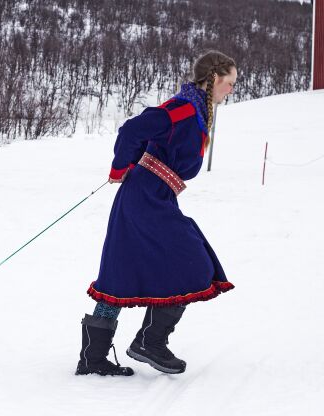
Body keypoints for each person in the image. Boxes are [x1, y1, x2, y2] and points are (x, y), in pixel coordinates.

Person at [76, 51, 237, 377]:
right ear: (214, 79)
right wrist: (120, 168)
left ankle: (93, 360)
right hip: (144, 198)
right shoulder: (182, 109)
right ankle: (149, 342)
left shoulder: (196, 112)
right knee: (194, 262)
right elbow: (133, 130)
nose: (232, 90)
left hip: (155, 197)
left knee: (121, 275)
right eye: (230, 82)